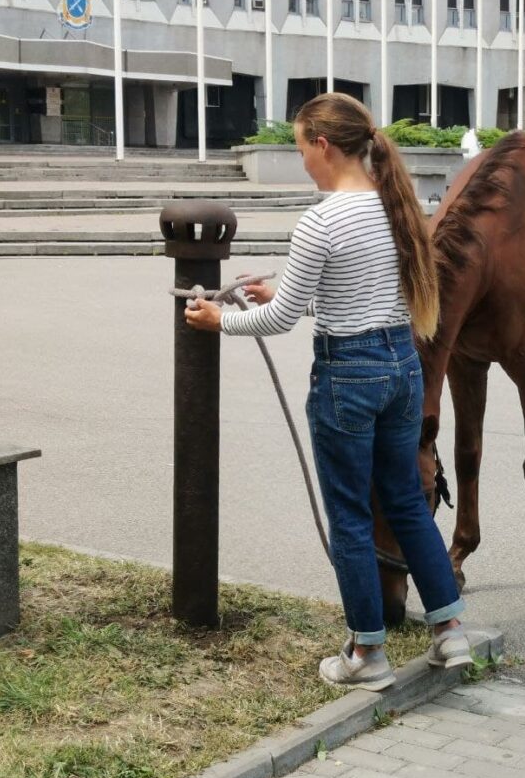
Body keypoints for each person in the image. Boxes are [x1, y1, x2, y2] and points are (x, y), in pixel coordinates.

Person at [185, 92, 471, 691]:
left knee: (349, 515)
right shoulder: (398, 204)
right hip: (400, 366)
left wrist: (222, 321)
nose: (303, 163)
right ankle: (450, 632)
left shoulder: (321, 219)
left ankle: (368, 653)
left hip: (348, 376)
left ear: (322, 145)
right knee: (404, 501)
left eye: (301, 149)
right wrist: (295, 294)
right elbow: (363, 290)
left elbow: (280, 321)